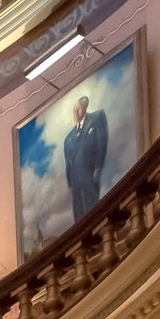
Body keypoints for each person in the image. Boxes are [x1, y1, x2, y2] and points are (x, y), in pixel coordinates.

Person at [63, 90, 110, 222]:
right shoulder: (68, 138)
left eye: (77, 109)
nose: (75, 113)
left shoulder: (96, 118)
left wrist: (98, 167)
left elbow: (102, 142)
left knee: (92, 208)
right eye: (73, 111)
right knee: (78, 214)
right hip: (75, 180)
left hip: (90, 174)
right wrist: (70, 184)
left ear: (84, 107)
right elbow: (68, 162)